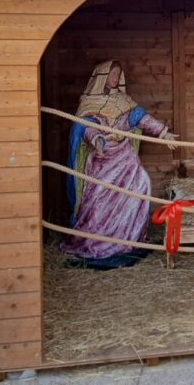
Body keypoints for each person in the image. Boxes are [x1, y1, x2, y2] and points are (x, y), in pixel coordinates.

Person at [61, 60, 178, 268]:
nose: (115, 79)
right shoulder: (89, 103)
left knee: (142, 184)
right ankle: (101, 242)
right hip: (101, 160)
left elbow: (142, 119)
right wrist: (96, 140)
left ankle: (130, 240)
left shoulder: (124, 101)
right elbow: (86, 128)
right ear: (102, 77)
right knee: (99, 199)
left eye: (118, 75)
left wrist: (163, 132)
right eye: (112, 74)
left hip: (125, 157)